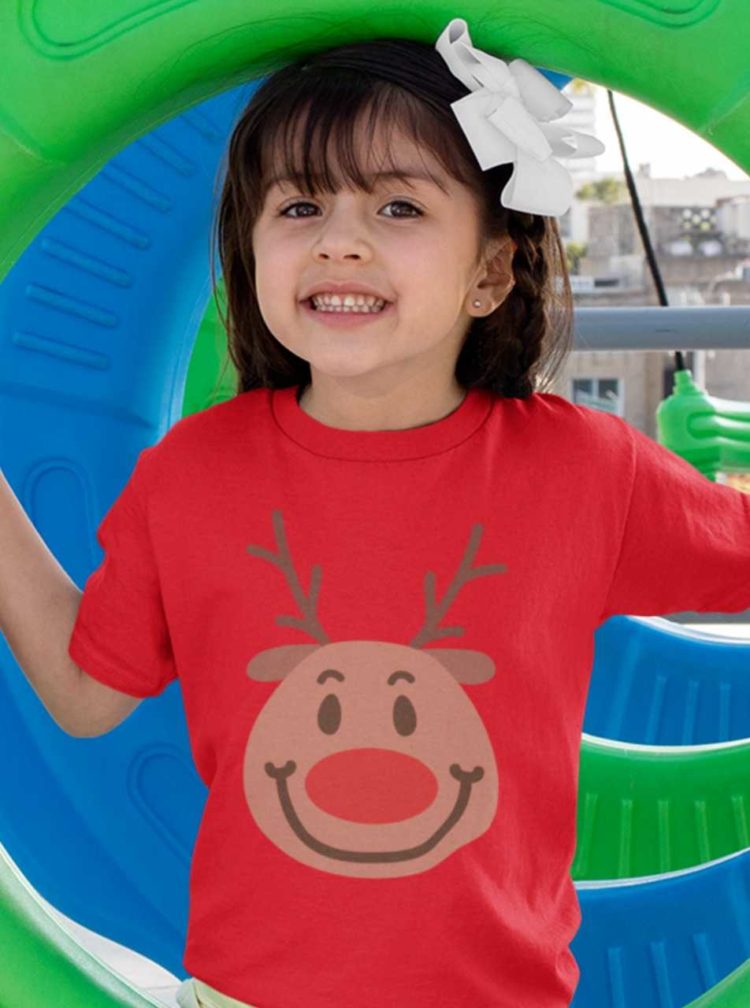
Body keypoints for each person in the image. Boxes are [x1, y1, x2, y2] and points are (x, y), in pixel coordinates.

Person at [1, 17, 748, 1008]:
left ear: (490, 271)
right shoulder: (193, 476)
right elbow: (89, 695)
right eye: (299, 206)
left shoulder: (585, 469)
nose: (341, 240)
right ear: (246, 254)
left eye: (398, 207)